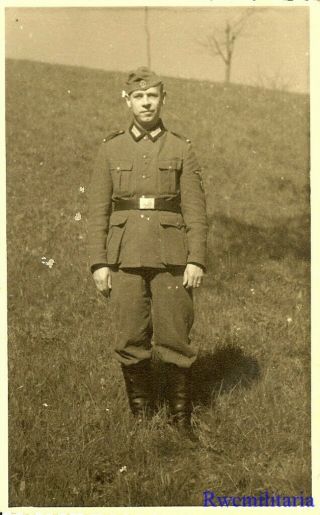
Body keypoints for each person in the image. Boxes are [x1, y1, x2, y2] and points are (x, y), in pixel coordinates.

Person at [88, 67, 207, 437]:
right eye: (138, 97)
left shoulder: (181, 148)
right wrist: (98, 262)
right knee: (129, 335)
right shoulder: (110, 149)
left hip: (172, 255)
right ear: (127, 101)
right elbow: (97, 212)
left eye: (152, 96)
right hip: (123, 256)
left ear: (162, 99)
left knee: (175, 335)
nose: (146, 102)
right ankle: (140, 419)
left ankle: (180, 420)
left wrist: (196, 258)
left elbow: (197, 211)